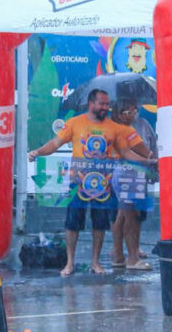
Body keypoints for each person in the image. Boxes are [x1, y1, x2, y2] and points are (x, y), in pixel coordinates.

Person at [28, 89, 152, 276]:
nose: (105, 107)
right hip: (78, 182)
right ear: (90, 103)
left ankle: (95, 263)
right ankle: (70, 263)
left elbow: (126, 152)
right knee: (72, 223)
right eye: (102, 104)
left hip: (104, 184)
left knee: (99, 224)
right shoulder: (74, 123)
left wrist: (147, 161)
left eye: (107, 104)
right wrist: (37, 152)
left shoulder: (114, 127)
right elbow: (55, 144)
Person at [110, 99, 156, 270]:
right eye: (128, 112)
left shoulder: (137, 127)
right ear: (119, 114)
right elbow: (126, 153)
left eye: (134, 111)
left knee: (124, 215)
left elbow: (148, 147)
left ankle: (120, 256)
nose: (133, 114)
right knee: (131, 218)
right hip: (126, 175)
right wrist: (147, 160)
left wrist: (150, 161)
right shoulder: (117, 130)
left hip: (137, 175)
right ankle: (132, 259)